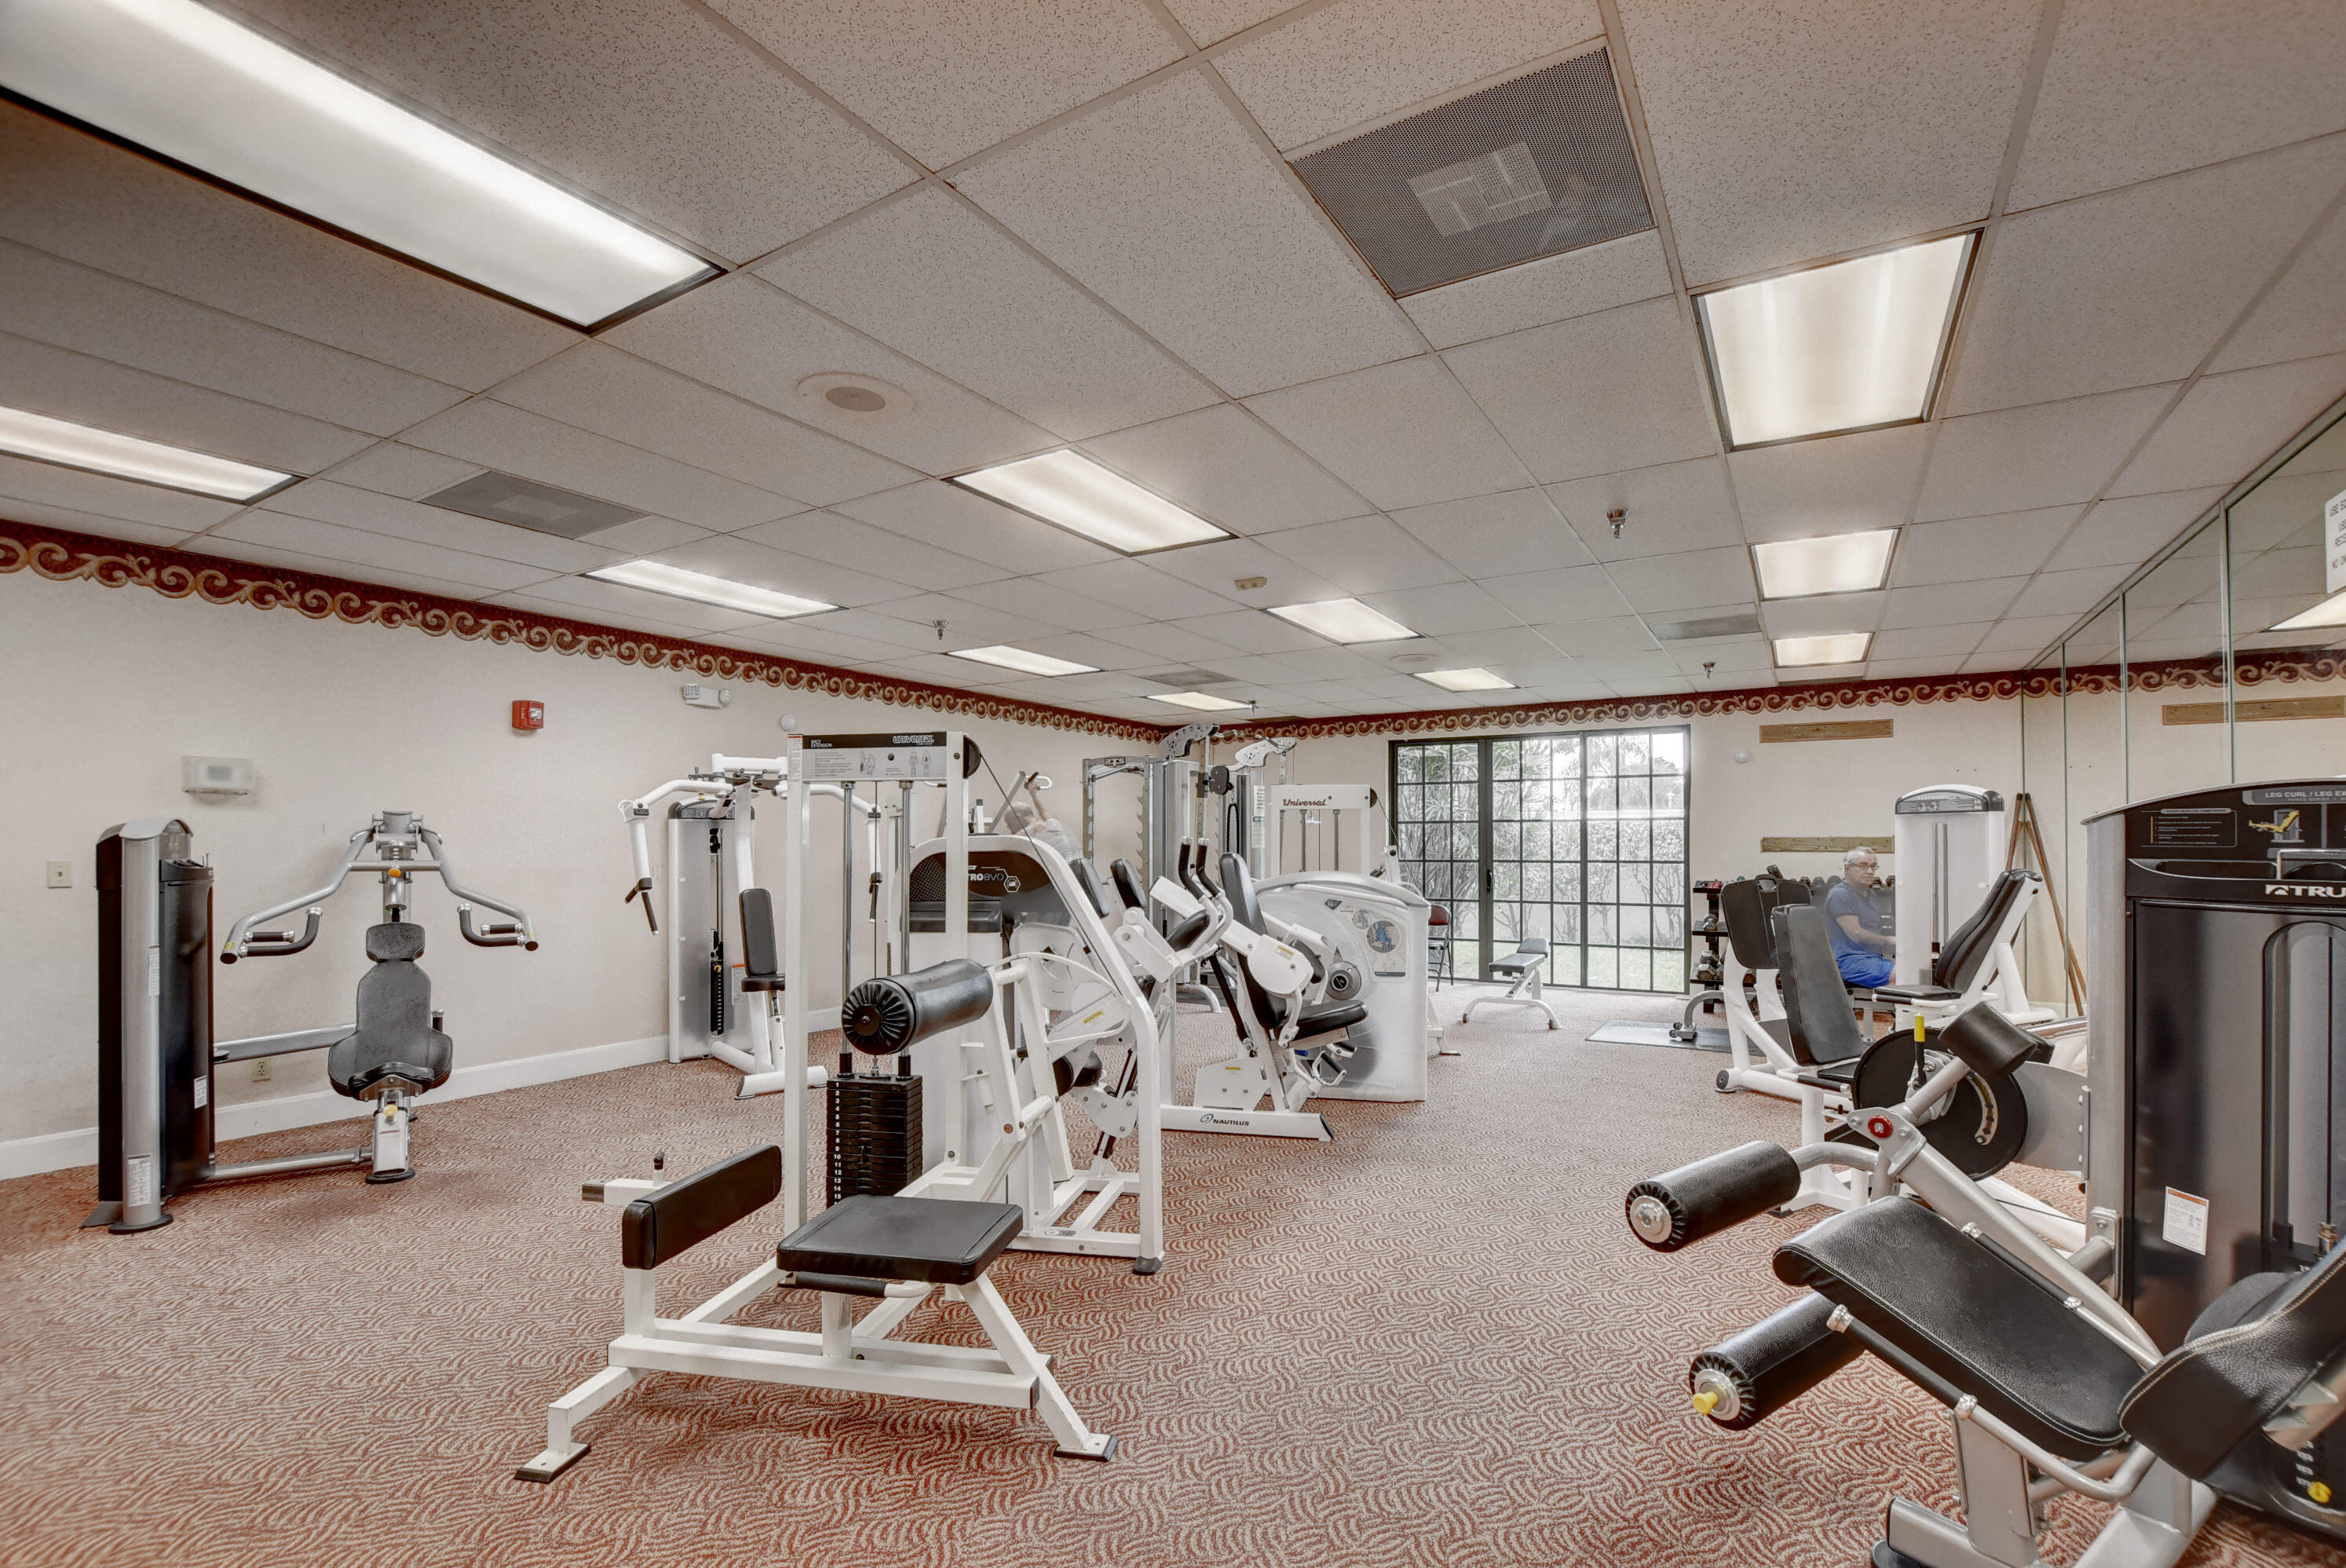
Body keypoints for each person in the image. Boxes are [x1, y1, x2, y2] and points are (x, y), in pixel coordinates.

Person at [1825, 846, 1895, 988]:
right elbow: (1856, 934)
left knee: (1916, 970)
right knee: (1903, 975)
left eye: (1873, 867)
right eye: (1863, 866)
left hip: (1872, 959)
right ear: (1848, 868)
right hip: (1850, 962)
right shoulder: (1840, 894)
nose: (1870, 872)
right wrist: (1889, 940)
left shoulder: (1871, 895)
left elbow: (1872, 931)